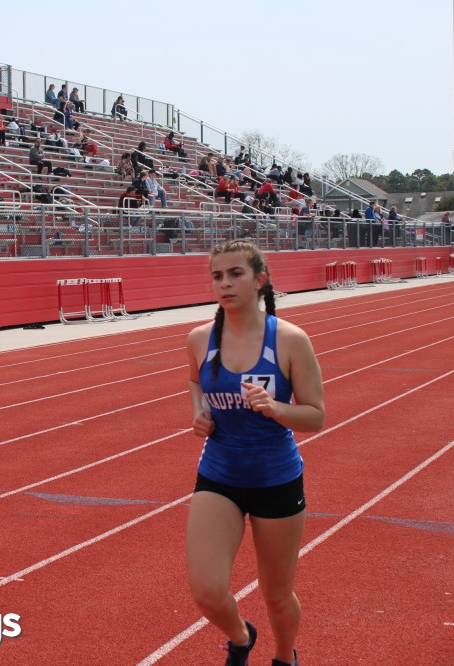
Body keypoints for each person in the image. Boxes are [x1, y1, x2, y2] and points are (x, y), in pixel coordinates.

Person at [186, 240, 324, 666]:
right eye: (217, 276)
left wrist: (276, 408)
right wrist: (199, 412)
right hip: (219, 474)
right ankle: (241, 637)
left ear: (260, 280)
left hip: (276, 480)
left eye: (235, 274)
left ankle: (284, 657)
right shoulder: (199, 339)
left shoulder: (290, 340)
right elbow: (195, 382)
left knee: (276, 594)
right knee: (207, 592)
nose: (224, 284)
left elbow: (315, 415)